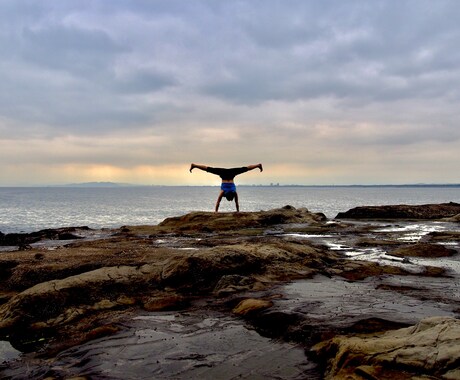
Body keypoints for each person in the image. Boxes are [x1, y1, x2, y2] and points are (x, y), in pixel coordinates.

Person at [190, 163, 263, 212]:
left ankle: (257, 165)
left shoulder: (234, 192)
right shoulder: (223, 192)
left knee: (245, 169)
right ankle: (195, 165)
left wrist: (238, 211)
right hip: (224, 174)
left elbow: (236, 203)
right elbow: (218, 202)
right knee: (209, 169)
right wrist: (216, 212)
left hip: (230, 174)